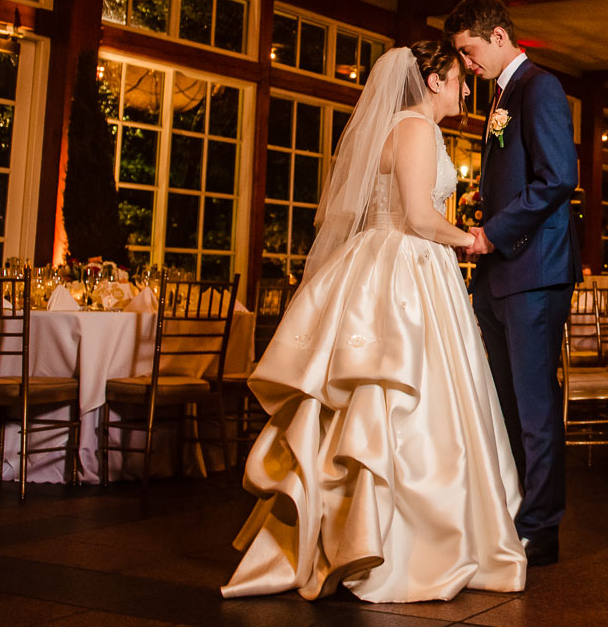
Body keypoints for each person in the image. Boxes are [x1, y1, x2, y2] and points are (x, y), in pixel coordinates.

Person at [223, 43, 526, 602]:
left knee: (370, 401)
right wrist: (472, 240)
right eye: (460, 79)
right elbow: (416, 215)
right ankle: (406, 540)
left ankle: (347, 529)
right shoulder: (416, 129)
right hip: (408, 268)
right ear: (434, 81)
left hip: (378, 261)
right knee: (403, 396)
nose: (465, 90)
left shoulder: (396, 127)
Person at [447, 0, 580, 569]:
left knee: (534, 407)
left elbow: (557, 179)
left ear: (498, 36)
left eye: (469, 51)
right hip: (498, 275)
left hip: (534, 270)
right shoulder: (500, 96)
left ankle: (541, 529)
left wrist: (492, 234)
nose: (467, 66)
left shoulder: (539, 87)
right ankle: (512, 510)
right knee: (501, 402)